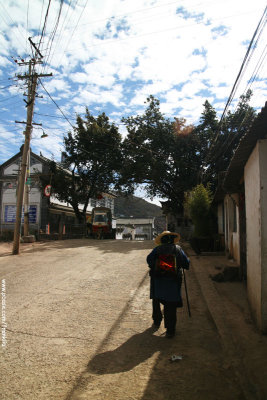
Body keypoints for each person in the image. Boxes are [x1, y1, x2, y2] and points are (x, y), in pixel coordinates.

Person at [146, 231, 190, 338]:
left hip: (158, 281)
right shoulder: (178, 249)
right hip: (173, 282)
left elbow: (149, 260)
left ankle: (157, 320)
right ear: (172, 239)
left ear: (162, 240)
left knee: (156, 299)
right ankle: (170, 331)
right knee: (171, 305)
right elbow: (186, 263)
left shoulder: (157, 250)